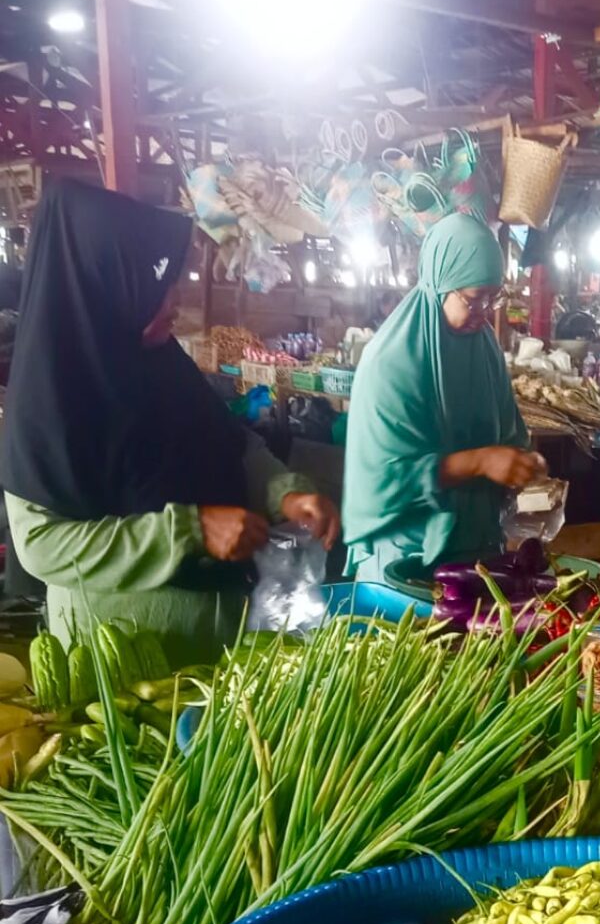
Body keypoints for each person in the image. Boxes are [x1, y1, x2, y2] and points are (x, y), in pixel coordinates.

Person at [0, 179, 339, 664]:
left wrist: (284, 490)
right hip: (124, 662)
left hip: (222, 642)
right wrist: (187, 531)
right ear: (106, 281)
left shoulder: (162, 362)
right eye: (156, 280)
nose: (175, 298)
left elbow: (232, 447)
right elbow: (42, 545)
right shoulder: (50, 397)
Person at [343, 214, 542, 580]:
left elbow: (508, 429)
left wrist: (522, 462)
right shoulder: (391, 361)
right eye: (473, 299)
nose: (483, 314)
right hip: (403, 560)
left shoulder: (484, 347)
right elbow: (383, 480)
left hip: (476, 554)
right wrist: (480, 462)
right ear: (440, 283)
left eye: (491, 299)